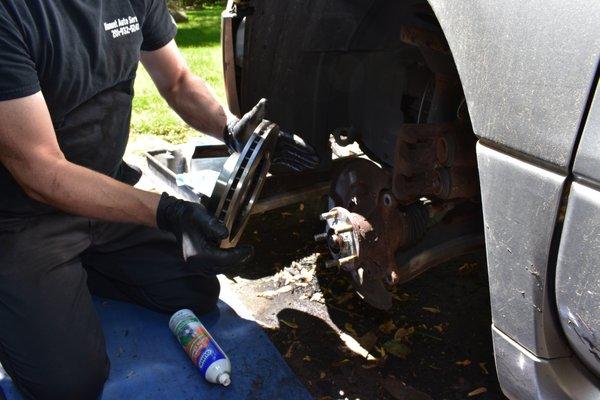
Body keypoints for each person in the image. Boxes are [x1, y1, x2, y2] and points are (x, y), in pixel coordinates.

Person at [0, 1, 318, 399]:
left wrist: (234, 131)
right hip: (24, 217)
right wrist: (165, 212)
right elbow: (39, 170)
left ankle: (82, 267)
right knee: (69, 384)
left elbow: (178, 81)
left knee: (195, 291)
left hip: (103, 191)